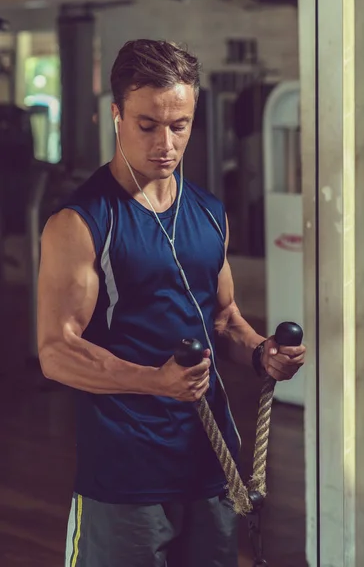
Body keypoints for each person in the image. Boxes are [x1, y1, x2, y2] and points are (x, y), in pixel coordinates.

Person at [37, 39, 306, 567]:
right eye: (147, 124)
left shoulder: (208, 213)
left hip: (210, 462)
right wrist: (152, 380)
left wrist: (260, 353)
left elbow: (224, 318)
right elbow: (56, 350)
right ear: (116, 115)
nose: (165, 142)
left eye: (179, 124)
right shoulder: (82, 223)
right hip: (124, 471)